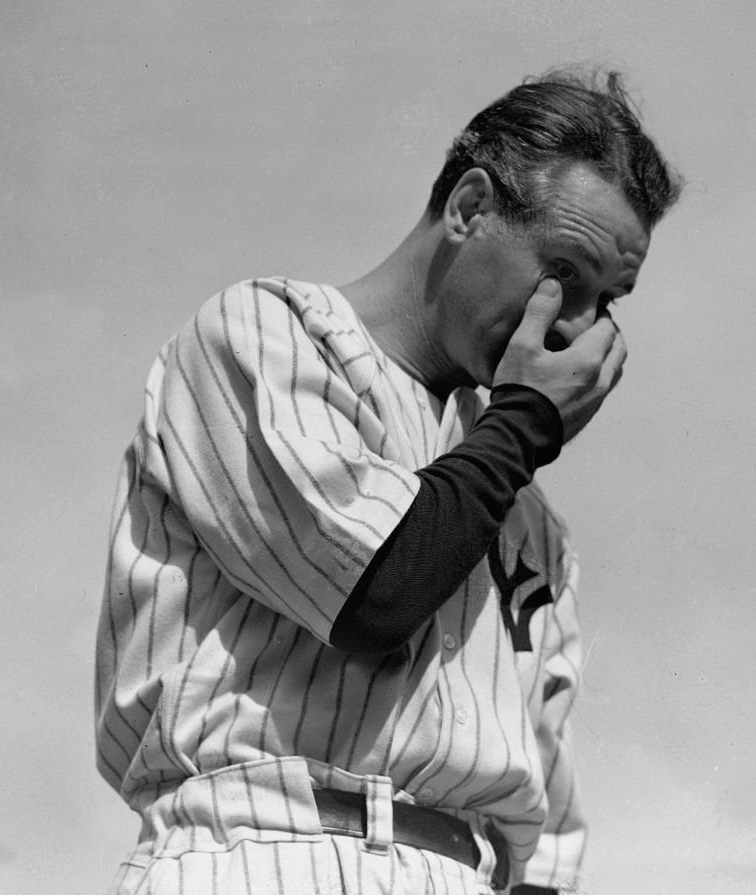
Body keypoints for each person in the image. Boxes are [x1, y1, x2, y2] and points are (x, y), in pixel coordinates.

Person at [95, 67, 680, 895]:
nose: (579, 326)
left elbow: (548, 826)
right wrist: (521, 427)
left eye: (608, 299)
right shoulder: (268, 336)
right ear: (470, 208)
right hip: (265, 845)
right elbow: (374, 597)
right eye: (565, 273)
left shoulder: (528, 517)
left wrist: (512, 438)